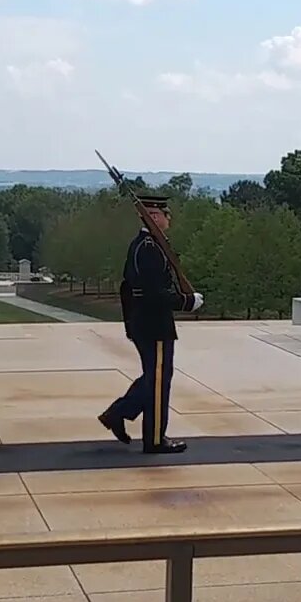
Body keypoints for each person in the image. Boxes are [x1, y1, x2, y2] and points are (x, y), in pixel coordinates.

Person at [98, 194, 203, 454]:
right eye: (165, 214)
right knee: (158, 381)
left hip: (147, 322)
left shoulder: (149, 245)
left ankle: (118, 413)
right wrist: (186, 302)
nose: (169, 219)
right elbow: (156, 294)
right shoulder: (148, 249)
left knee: (156, 377)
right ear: (154, 216)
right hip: (152, 324)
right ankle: (154, 439)